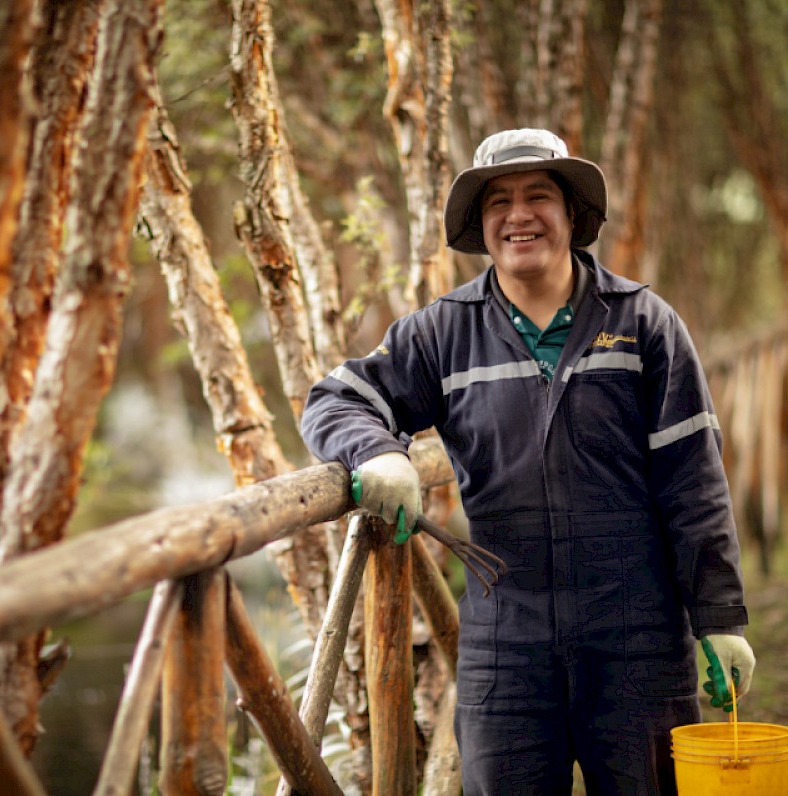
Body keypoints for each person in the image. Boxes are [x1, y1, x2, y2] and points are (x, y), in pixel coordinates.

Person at [300, 128, 756, 795]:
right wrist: (379, 456)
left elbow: (694, 482)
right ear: (480, 225)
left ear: (572, 214)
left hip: (637, 638)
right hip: (505, 642)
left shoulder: (644, 324)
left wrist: (719, 619)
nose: (519, 214)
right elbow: (336, 399)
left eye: (538, 195)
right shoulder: (441, 333)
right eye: (499, 202)